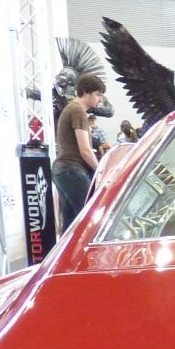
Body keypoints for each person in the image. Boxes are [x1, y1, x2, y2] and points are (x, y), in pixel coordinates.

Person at [53, 74, 105, 231]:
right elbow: (85, 150)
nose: (100, 100)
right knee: (90, 221)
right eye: (98, 94)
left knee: (71, 225)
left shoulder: (72, 109)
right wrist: (101, 172)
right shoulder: (78, 111)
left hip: (63, 170)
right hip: (71, 170)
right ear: (86, 92)